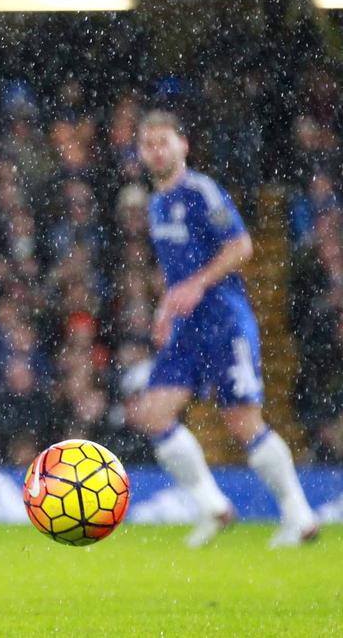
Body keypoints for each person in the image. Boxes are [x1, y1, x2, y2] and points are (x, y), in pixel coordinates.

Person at [126, 110, 318, 548]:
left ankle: (298, 514)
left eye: (163, 141)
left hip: (224, 320)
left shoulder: (200, 192)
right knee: (153, 412)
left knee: (241, 421)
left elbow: (242, 246)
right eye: (147, 144)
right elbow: (176, 271)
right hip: (187, 328)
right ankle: (213, 506)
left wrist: (197, 284)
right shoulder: (155, 204)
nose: (156, 150)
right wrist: (165, 308)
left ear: (183, 145)